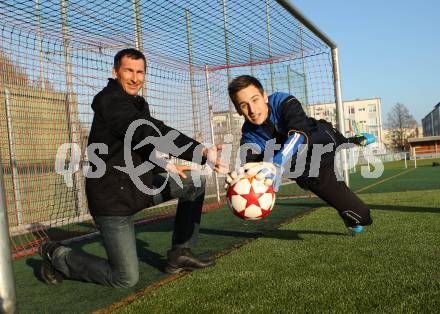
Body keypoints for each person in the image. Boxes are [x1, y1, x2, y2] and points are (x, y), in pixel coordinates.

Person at [39, 48, 226, 288]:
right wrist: (200, 151)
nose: (135, 78)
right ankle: (55, 254)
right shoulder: (109, 101)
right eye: (129, 70)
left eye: (140, 72)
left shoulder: (139, 104)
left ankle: (181, 253)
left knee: (195, 182)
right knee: (125, 278)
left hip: (140, 188)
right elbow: (145, 132)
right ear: (115, 71)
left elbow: (140, 145)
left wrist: (165, 164)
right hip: (112, 200)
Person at [225, 75, 375, 235]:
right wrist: (240, 177)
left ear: (264, 96)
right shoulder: (249, 137)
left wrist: (276, 164)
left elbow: (298, 135)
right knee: (362, 216)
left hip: (320, 140)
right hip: (312, 171)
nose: (252, 110)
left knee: (331, 139)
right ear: (239, 111)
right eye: (244, 105)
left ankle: (352, 140)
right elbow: (251, 166)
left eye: (255, 100)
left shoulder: (284, 102)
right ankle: (348, 216)